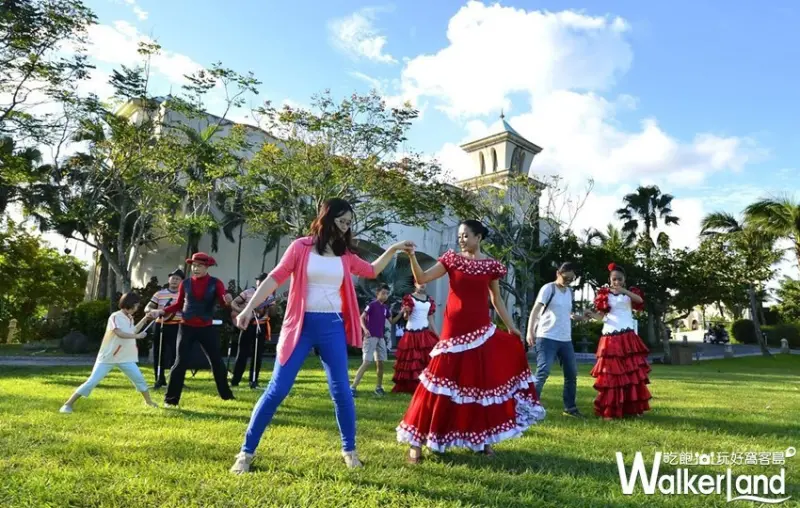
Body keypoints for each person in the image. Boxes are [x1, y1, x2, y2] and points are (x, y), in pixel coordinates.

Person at [229, 198, 415, 473]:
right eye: (341, 221)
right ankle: (245, 453)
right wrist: (248, 308)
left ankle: (350, 450)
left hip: (332, 327)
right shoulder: (301, 247)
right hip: (300, 326)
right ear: (327, 218)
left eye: (349, 223)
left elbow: (372, 270)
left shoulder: (344, 255)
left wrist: (393, 249)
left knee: (341, 392)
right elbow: (275, 278)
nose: (345, 227)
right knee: (277, 390)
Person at [397, 220, 545, 463]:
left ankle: (480, 439)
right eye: (460, 235)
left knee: (480, 385)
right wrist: (412, 256)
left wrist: (510, 325)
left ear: (478, 237)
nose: (461, 239)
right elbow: (422, 276)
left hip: (481, 331)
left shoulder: (491, 266)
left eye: (466, 235)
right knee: (437, 384)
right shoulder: (451, 259)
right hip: (454, 331)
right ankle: (416, 442)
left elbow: (496, 299)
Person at [150, 252, 235, 407]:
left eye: (199, 266)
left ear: (207, 267)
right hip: (186, 326)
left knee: (216, 361)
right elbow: (178, 305)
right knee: (180, 362)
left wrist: (228, 301)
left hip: (206, 327)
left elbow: (224, 304)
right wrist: (162, 311)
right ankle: (171, 400)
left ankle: (227, 395)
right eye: (194, 266)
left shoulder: (216, 283)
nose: (196, 269)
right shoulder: (186, 283)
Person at [60, 293, 157, 413]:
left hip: (125, 357)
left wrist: (145, 319)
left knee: (139, 379)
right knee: (92, 381)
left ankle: (148, 402)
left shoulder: (129, 318)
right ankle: (67, 404)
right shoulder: (115, 316)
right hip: (108, 356)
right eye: (136, 305)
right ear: (129, 305)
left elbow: (133, 330)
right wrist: (137, 336)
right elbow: (119, 333)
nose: (137, 308)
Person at [585, 263, 650, 420]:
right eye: (614, 279)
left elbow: (639, 300)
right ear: (610, 279)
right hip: (610, 336)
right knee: (612, 374)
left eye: (619, 279)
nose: (616, 282)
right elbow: (601, 316)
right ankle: (610, 409)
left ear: (624, 279)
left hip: (627, 335)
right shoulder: (604, 294)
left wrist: (623, 290)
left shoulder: (630, 293)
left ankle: (633, 408)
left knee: (631, 373)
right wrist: (590, 315)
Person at [527, 262, 588, 419]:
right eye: (566, 277)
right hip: (547, 337)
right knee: (543, 371)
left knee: (571, 374)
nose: (568, 281)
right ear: (558, 273)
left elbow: (563, 312)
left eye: (571, 279)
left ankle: (570, 408)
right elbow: (536, 310)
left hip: (565, 339)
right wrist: (530, 331)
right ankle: (529, 407)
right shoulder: (548, 289)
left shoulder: (569, 292)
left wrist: (578, 317)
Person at [350, 284, 403, 397]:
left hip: (380, 338)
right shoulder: (372, 305)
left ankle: (378, 388)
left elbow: (392, 321)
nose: (385, 295)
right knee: (367, 362)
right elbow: (361, 317)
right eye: (383, 293)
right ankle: (353, 387)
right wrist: (365, 329)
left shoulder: (385, 308)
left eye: (387, 294)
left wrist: (401, 312)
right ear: (377, 293)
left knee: (381, 363)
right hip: (370, 337)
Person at [230, 273, 276, 389]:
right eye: (259, 281)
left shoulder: (270, 296)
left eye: (264, 281)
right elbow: (233, 303)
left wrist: (270, 307)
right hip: (247, 325)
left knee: (257, 355)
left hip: (261, 326)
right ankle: (235, 380)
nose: (260, 283)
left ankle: (253, 380)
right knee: (242, 354)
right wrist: (243, 311)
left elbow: (273, 314)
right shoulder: (247, 292)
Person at [391, 282, 439, 393]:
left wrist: (438, 335)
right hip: (411, 333)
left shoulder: (429, 299)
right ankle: (410, 386)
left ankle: (425, 384)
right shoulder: (409, 298)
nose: (422, 284)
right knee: (411, 361)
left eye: (424, 282)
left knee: (425, 359)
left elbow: (431, 320)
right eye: (419, 282)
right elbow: (406, 318)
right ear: (415, 284)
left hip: (424, 333)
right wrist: (406, 313)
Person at [146, 268, 184, 389]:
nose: (174, 280)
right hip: (160, 325)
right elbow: (147, 308)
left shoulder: (184, 295)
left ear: (181, 281)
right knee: (158, 353)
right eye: (172, 278)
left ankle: (175, 380)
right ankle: (159, 379)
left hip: (177, 326)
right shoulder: (159, 294)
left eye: (177, 279)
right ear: (169, 279)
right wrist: (154, 311)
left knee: (177, 353)